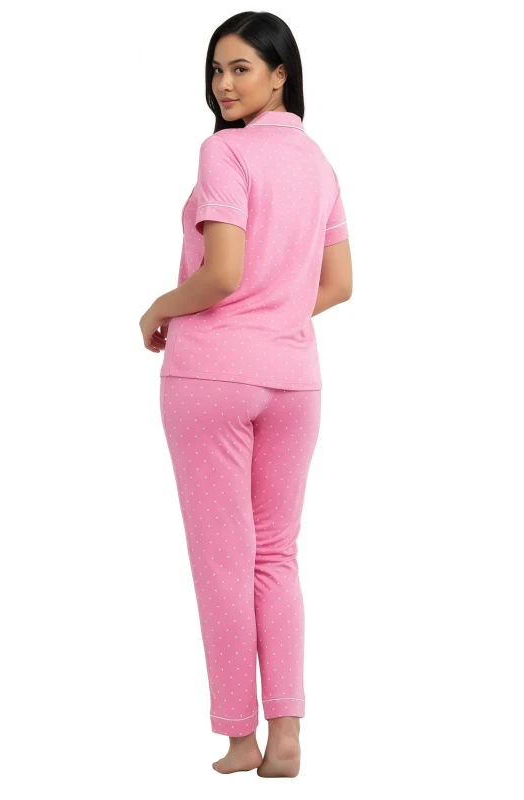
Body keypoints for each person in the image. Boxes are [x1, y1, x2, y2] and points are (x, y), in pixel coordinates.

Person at [140, 11, 352, 778]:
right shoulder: (318, 163)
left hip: (211, 376)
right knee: (275, 554)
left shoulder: (223, 152)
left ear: (278, 74)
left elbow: (221, 273)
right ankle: (286, 733)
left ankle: (239, 737)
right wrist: (275, 315)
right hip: (293, 379)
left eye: (239, 69)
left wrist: (159, 308)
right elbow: (338, 284)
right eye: (215, 69)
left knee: (222, 560)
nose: (223, 85)